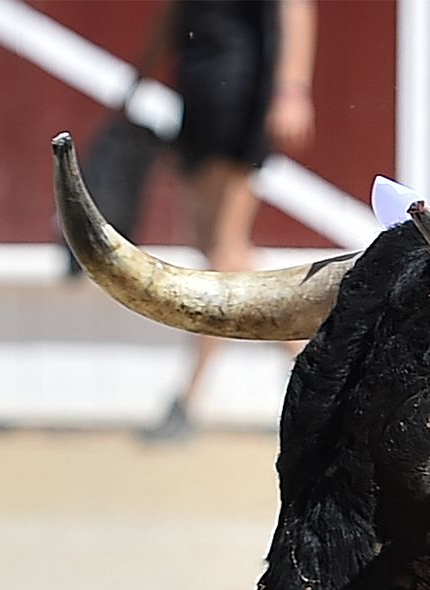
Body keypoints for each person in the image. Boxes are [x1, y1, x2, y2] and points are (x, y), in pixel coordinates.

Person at [136, 0, 316, 441]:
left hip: (238, 88)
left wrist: (291, 89)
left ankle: (190, 397)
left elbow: (296, 8)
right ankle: (312, 362)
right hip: (199, 86)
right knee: (218, 251)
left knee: (221, 251)